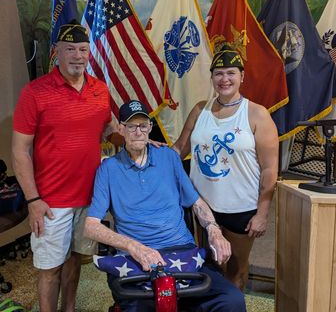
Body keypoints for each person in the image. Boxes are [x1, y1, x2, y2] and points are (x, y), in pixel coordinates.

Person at [85, 100, 246, 312]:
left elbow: (196, 203)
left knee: (231, 300)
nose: (137, 132)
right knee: (140, 306)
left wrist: (214, 230)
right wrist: (134, 247)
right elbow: (91, 226)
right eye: (131, 126)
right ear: (121, 129)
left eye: (143, 125)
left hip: (182, 252)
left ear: (150, 128)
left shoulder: (168, 157)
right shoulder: (109, 169)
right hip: (136, 257)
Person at [12, 20, 113, 312]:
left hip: (89, 199)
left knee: (75, 259)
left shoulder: (100, 90)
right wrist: (33, 200)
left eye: (83, 49)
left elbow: (110, 130)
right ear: (56, 52)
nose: (78, 56)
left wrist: (143, 137)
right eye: (70, 49)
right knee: (49, 269)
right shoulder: (35, 93)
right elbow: (20, 151)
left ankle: (69, 309)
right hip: (50, 202)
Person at [173, 45, 278, 290]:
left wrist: (262, 214)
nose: (224, 79)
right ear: (211, 78)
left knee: (235, 269)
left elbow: (270, 170)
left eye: (231, 72)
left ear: (242, 76)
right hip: (201, 207)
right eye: (218, 73)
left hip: (240, 208)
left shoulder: (257, 115)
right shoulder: (200, 110)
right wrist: (147, 149)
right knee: (206, 265)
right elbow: (178, 150)